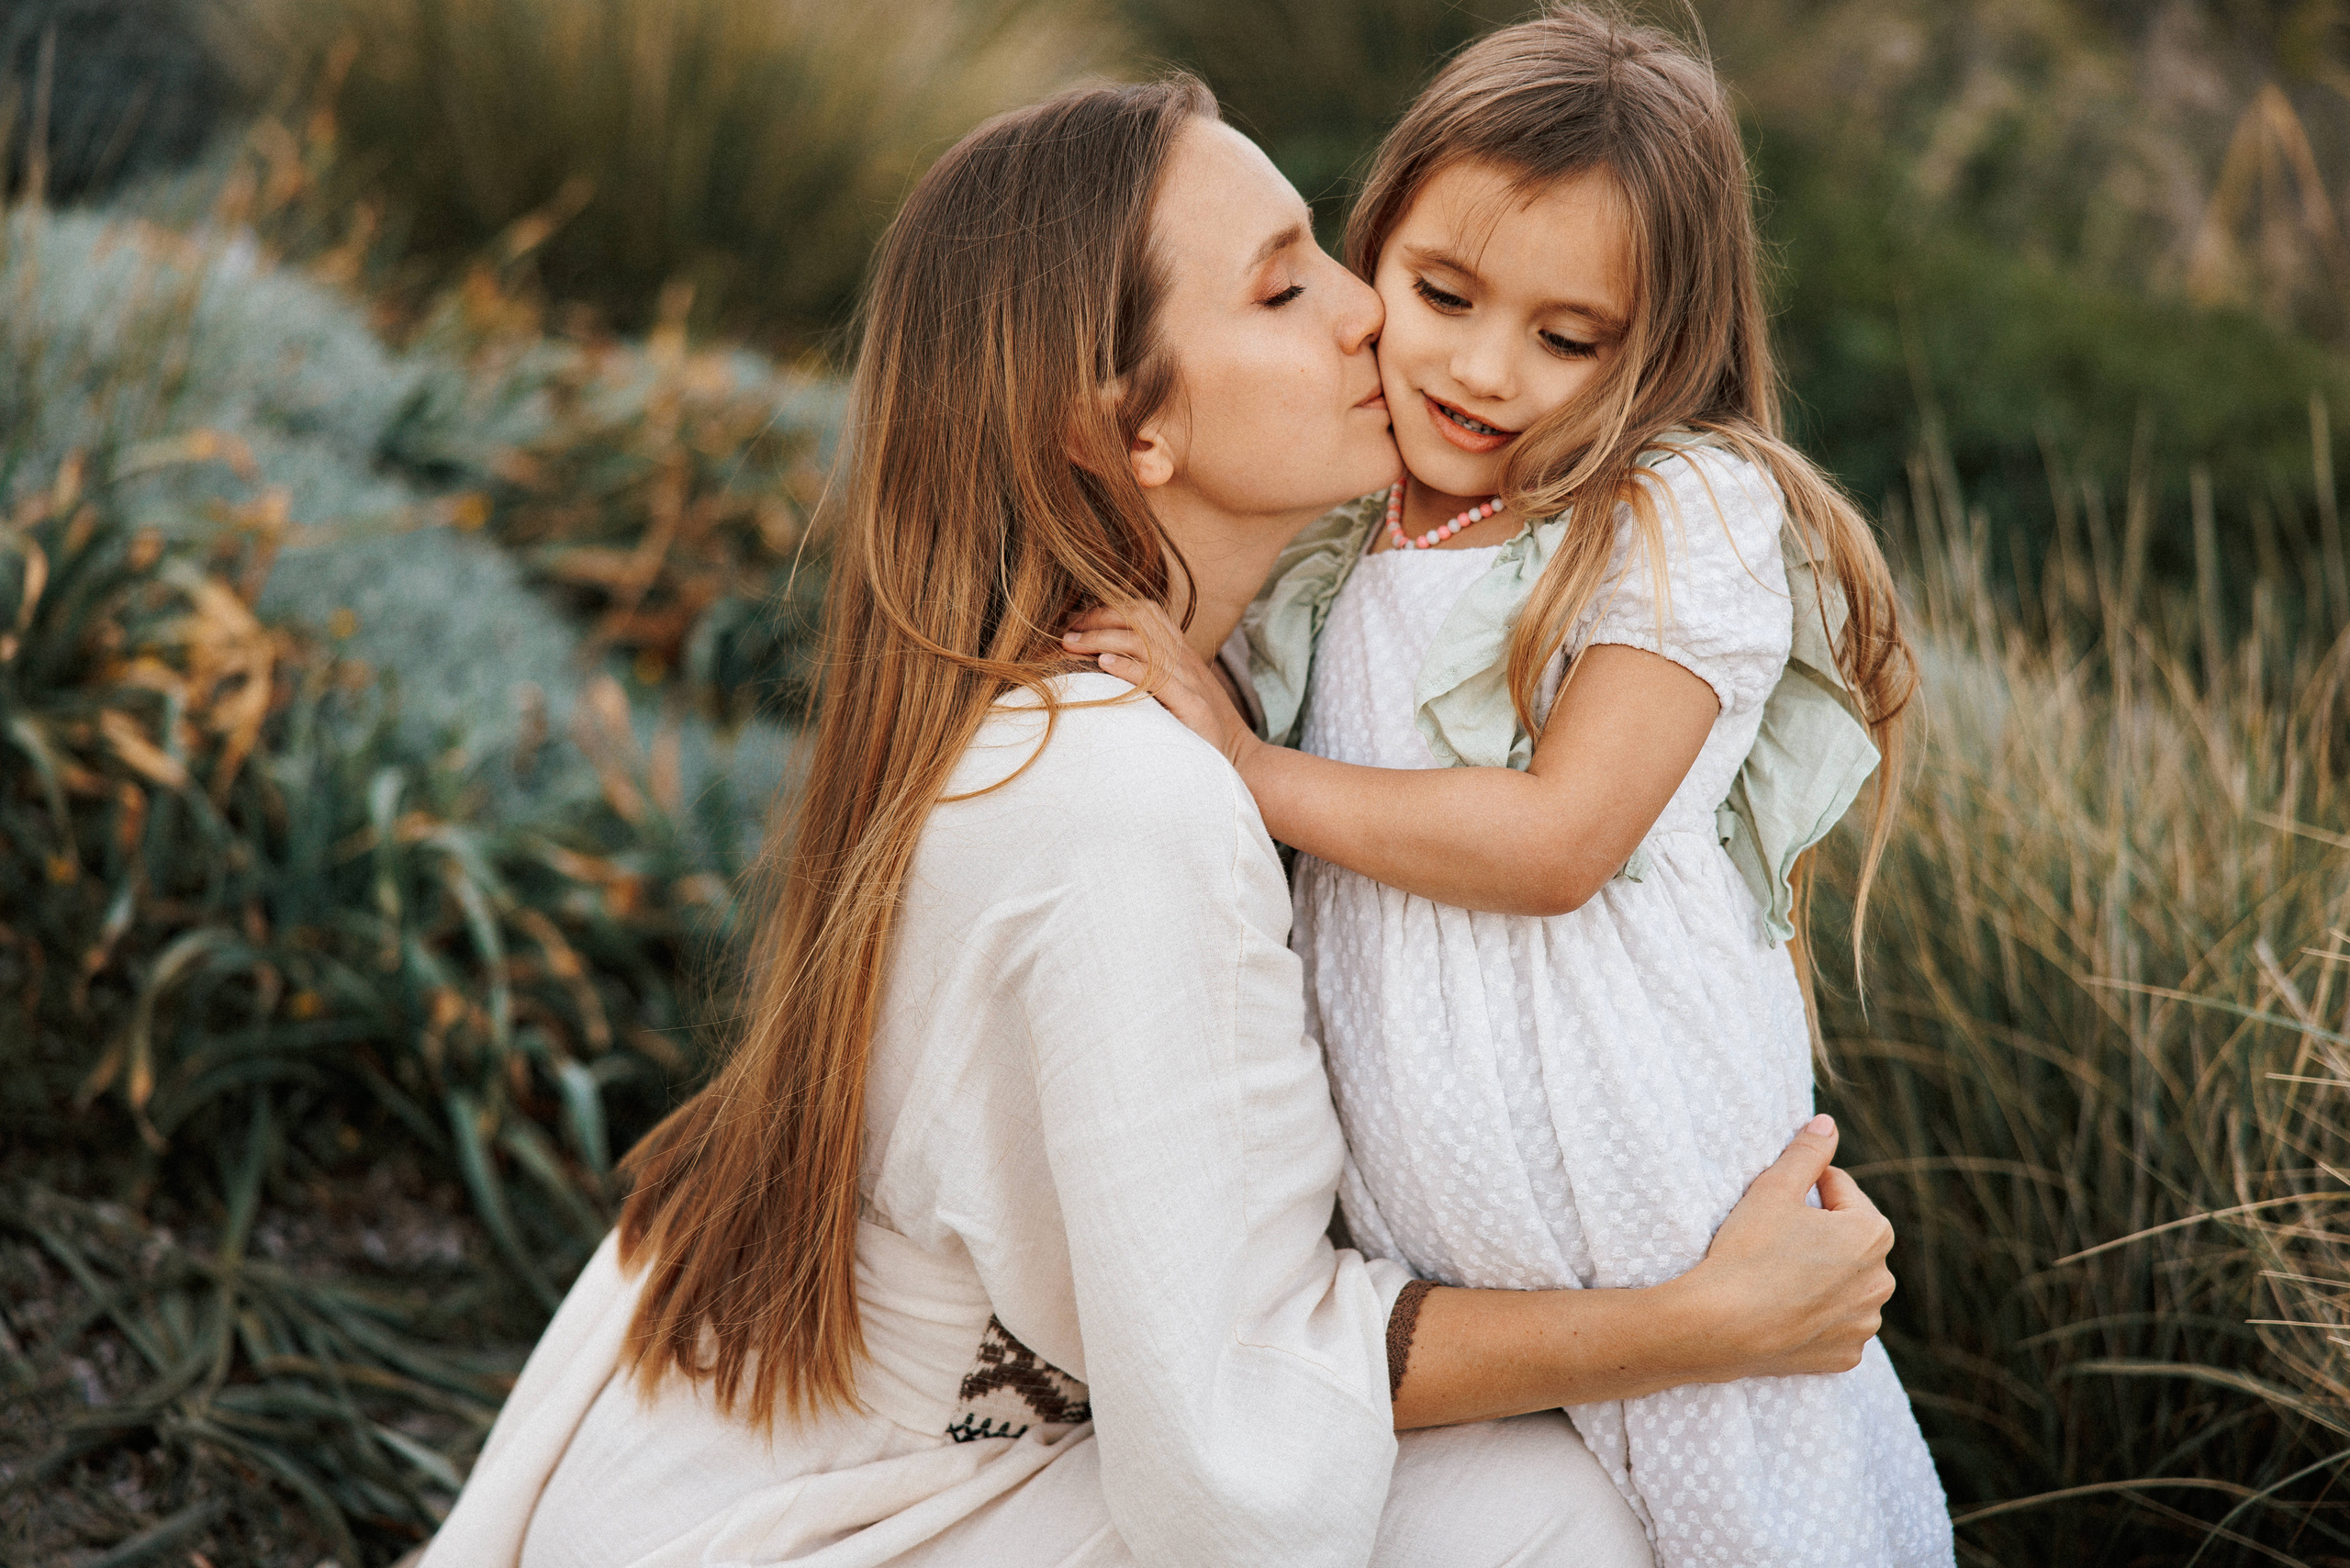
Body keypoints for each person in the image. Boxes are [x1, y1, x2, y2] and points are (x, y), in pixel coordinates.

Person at [420, 74, 1901, 1568]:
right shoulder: (1128, 803)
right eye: (1283, 288)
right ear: (1127, 428)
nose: (1368, 317)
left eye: (1331, 253)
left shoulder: (1168, 683)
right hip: (845, 1511)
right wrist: (1700, 1327)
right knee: (1553, 1525)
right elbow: (1232, 1427)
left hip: (751, 1445)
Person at [1063, 10, 1951, 1567]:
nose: (1482, 372)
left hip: (1662, 1197)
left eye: (1568, 337)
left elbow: (1561, 841)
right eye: (1442, 294)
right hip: (1445, 1262)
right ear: (1371, 254)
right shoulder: (1341, 532)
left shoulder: (1676, 513)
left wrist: (1252, 769)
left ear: (1660, 342)